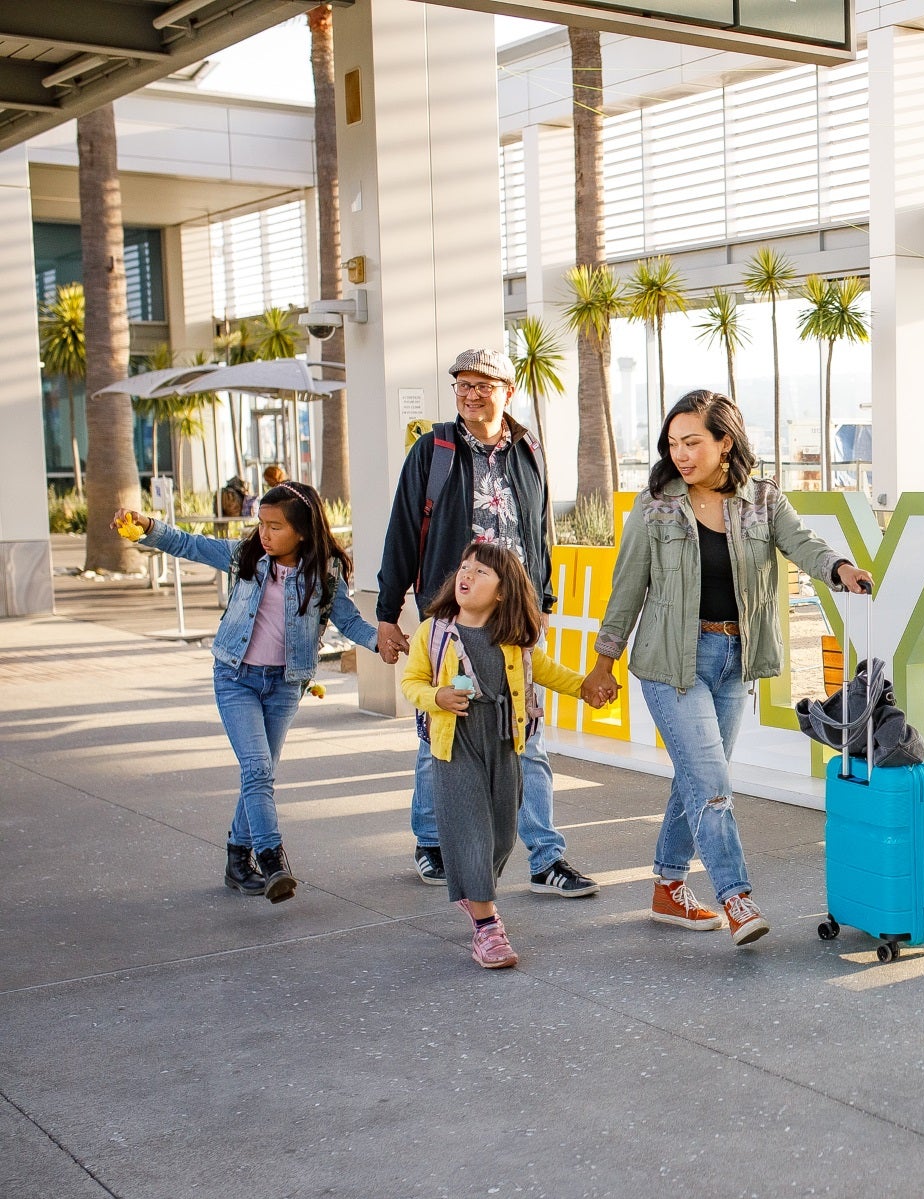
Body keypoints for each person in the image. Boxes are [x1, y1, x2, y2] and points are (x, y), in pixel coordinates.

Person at [583, 389, 869, 946]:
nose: (682, 454)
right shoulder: (656, 506)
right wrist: (603, 663)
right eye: (673, 444)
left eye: (693, 442)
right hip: (672, 662)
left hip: (735, 660)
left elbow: (802, 545)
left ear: (725, 442)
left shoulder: (763, 500)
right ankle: (736, 897)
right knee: (713, 782)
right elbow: (626, 589)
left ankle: (668, 886)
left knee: (697, 777)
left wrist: (838, 568)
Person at [374, 348, 597, 898]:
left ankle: (546, 857)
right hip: (451, 615)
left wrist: (542, 599)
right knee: (439, 735)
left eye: (482, 385)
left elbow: (541, 529)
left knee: (529, 739)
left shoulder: (527, 449)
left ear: (508, 391)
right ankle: (433, 842)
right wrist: (386, 613)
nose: (471, 394)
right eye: (462, 385)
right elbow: (403, 529)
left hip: (513, 618)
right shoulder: (434, 450)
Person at [115, 483, 378, 902]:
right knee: (257, 769)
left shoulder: (325, 571)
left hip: (285, 684)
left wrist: (382, 642)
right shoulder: (247, 556)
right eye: (261, 524)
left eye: (275, 527)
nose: (264, 534)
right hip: (235, 677)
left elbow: (349, 622)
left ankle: (237, 861)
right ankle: (271, 858)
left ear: (303, 532)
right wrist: (148, 527)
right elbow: (190, 544)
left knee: (260, 774)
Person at [403, 541, 595, 968]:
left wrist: (585, 687)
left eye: (481, 572)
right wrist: (438, 695)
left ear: (504, 591)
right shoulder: (433, 631)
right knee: (471, 830)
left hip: (506, 741)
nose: (466, 575)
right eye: (464, 566)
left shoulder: (513, 640)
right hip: (458, 744)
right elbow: (411, 682)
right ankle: (487, 928)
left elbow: (545, 671)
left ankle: (475, 892)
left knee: (504, 833)